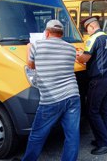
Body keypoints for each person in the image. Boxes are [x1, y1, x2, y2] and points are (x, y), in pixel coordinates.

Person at [22, 20, 80, 161]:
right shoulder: (71, 48)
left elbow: (30, 65)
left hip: (50, 99)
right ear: (62, 34)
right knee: (72, 135)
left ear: (46, 33)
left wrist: (28, 48)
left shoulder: (36, 46)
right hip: (73, 95)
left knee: (37, 135)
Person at [76, 16, 107, 155]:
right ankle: (103, 137)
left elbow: (84, 58)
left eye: (87, 29)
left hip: (98, 79)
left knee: (92, 111)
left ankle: (105, 143)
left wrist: (78, 55)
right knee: (104, 109)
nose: (87, 32)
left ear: (91, 27)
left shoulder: (94, 38)